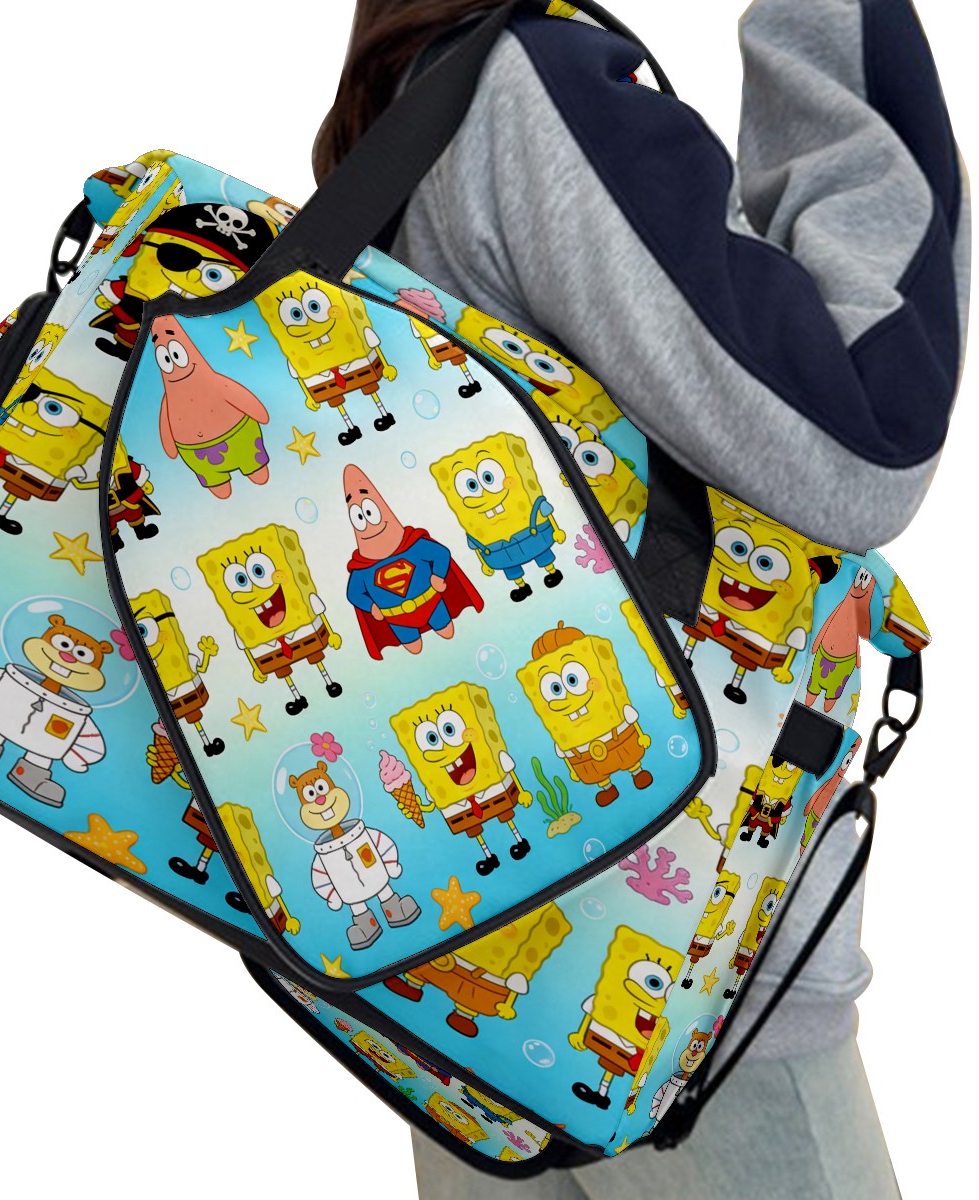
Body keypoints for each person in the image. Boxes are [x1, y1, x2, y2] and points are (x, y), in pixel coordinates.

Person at [313, 1, 969, 1195]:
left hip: (457, 976)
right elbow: (864, 436)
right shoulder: (535, 90)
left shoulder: (403, 124)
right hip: (683, 998)